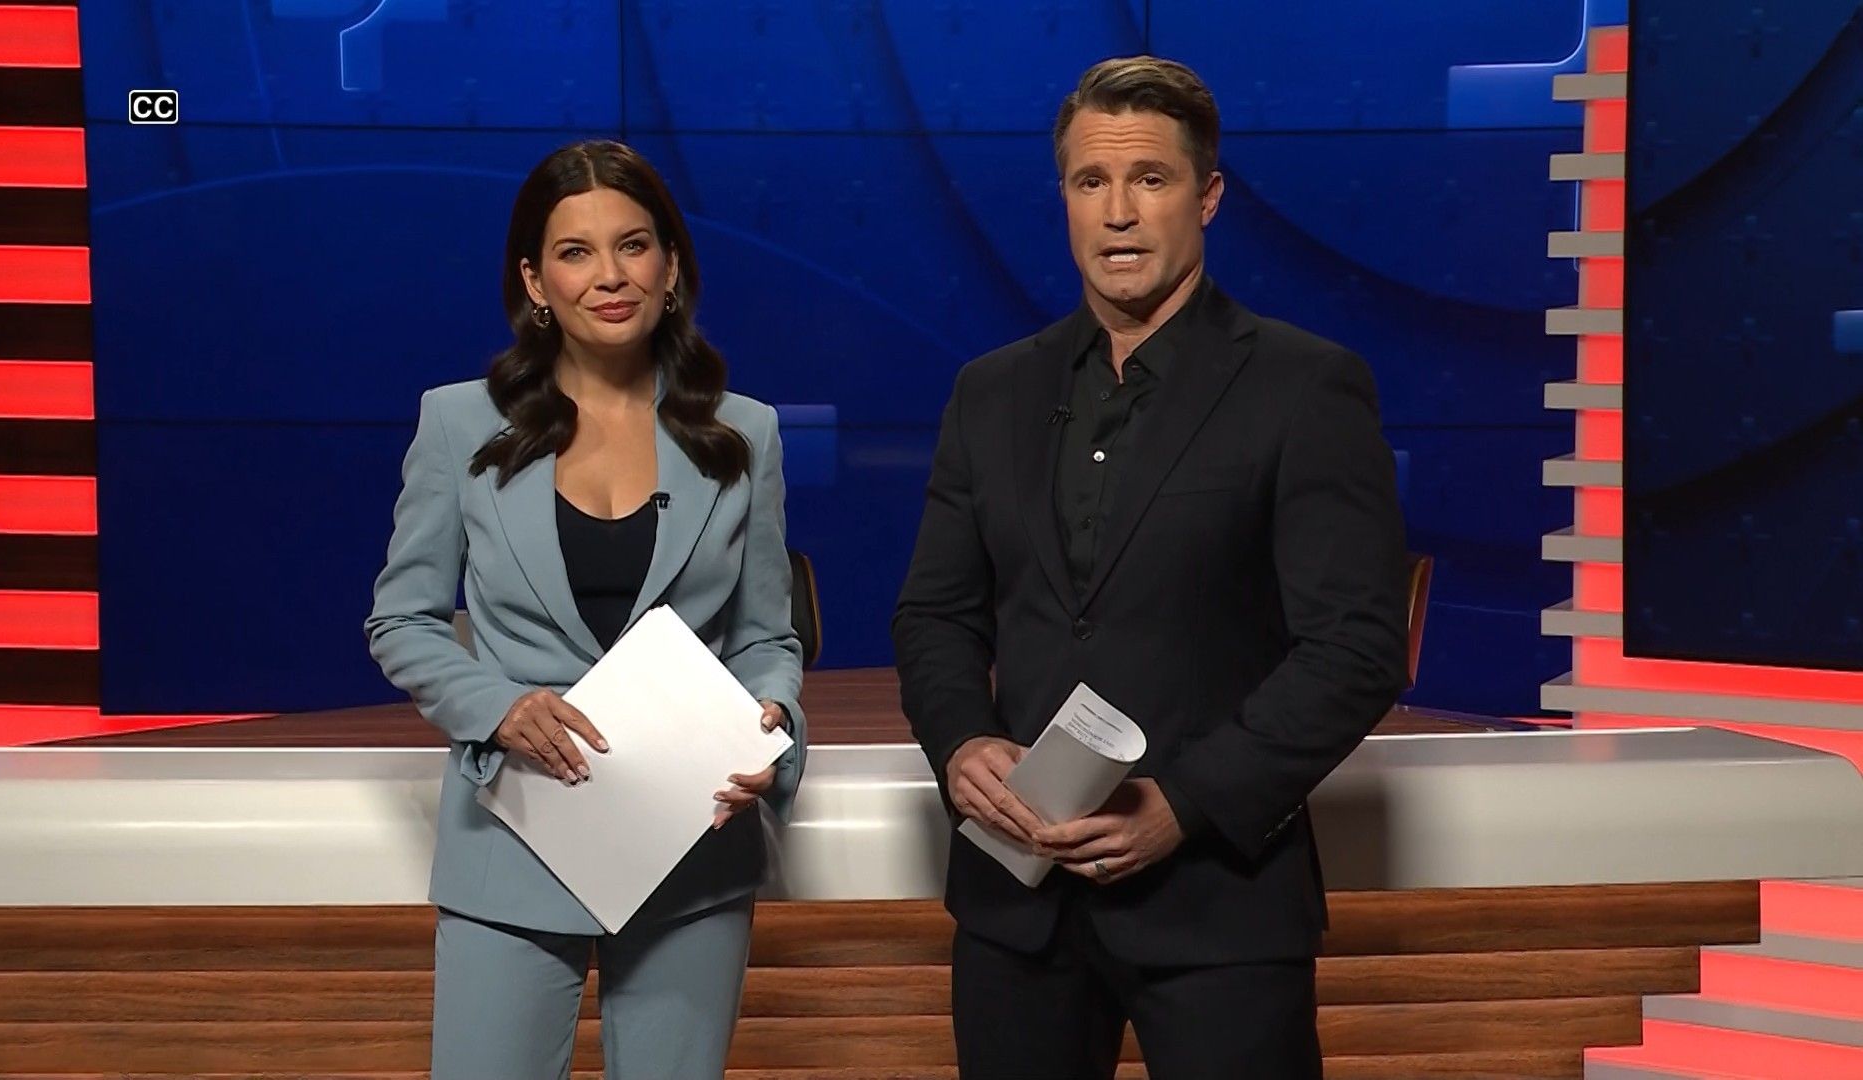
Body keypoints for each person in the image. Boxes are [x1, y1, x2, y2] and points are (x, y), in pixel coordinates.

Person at [892, 57, 1408, 1078]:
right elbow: (935, 616)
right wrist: (961, 743)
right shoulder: (990, 392)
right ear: (1065, 198)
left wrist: (1186, 803)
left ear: (1207, 197)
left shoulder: (1305, 386)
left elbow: (1355, 648)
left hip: (1219, 906)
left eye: (1151, 180)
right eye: (1091, 182)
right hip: (1018, 908)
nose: (1118, 212)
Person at [365, 139, 805, 1080]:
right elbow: (401, 620)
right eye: (575, 252)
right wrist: (498, 708)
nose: (610, 275)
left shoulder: (745, 433)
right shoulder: (458, 422)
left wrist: (771, 726)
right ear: (535, 280)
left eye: (634, 245)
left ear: (671, 267)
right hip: (513, 836)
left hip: (690, 840)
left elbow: (767, 635)